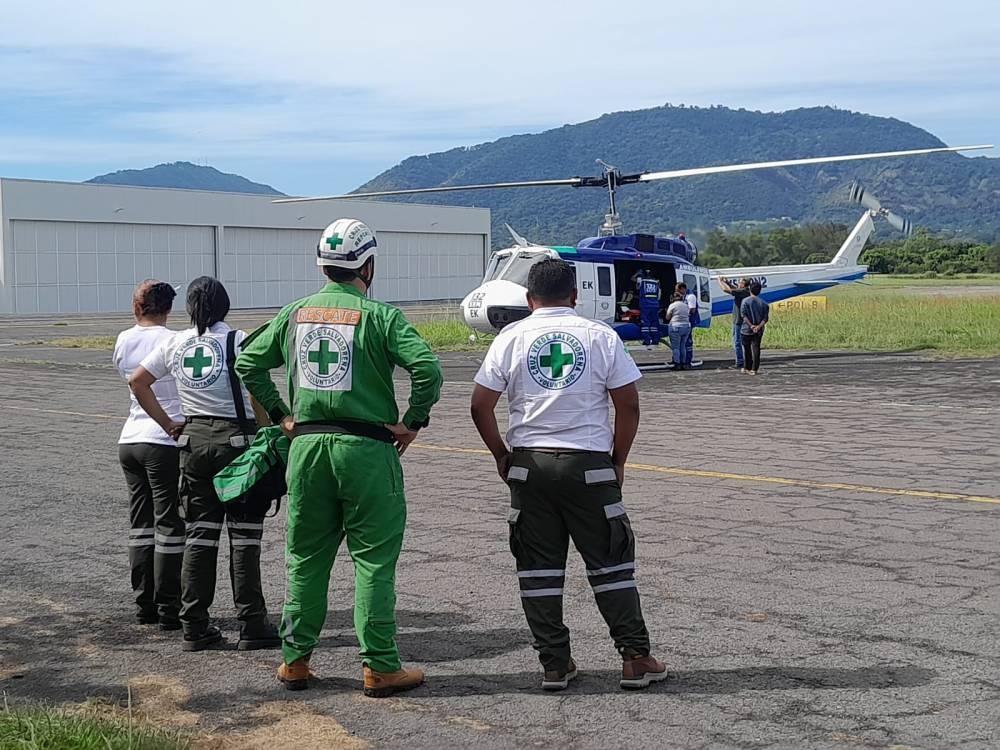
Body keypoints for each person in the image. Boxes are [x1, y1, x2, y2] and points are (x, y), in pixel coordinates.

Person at [234, 218, 443, 698]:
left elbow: (248, 360)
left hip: (306, 451)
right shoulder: (382, 316)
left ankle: (294, 662)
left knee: (305, 559)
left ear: (323, 266)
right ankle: (380, 667)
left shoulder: (296, 313)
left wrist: (283, 415)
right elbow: (427, 368)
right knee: (372, 561)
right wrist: (413, 420)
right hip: (367, 451)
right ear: (367, 265)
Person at [470, 258, 667, 692]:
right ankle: (635, 658)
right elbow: (628, 405)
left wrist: (502, 456)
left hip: (529, 466)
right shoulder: (600, 336)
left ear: (528, 298)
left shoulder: (510, 337)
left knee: (538, 571)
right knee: (611, 563)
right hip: (588, 466)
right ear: (575, 296)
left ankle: (555, 665)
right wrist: (618, 461)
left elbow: (479, 406)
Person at [129, 277, 280, 652]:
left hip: (194, 444)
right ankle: (252, 623)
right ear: (225, 306)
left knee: (200, 532)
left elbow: (138, 381)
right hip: (237, 444)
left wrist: (168, 424)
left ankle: (195, 624)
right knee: (244, 536)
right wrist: (271, 434)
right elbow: (255, 388)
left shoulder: (176, 343)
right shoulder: (237, 340)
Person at [113, 280, 185, 629]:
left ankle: (144, 603)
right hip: (163, 438)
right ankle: (170, 605)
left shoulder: (123, 339)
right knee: (169, 522)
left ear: (137, 306)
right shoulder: (173, 340)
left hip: (130, 438)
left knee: (140, 524)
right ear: (168, 308)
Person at [718, 277, 751, 370]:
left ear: (744, 285)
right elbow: (734, 289)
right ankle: (743, 360)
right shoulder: (744, 291)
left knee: (737, 341)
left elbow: (726, 290)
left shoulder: (742, 292)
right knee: (739, 341)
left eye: (740, 282)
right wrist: (727, 282)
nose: (738, 283)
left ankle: (739, 362)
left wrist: (719, 282)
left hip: (738, 321)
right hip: (739, 320)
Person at [740, 281, 770, 375]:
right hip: (759, 330)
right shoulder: (764, 304)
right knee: (756, 348)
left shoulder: (745, 301)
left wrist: (751, 325)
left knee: (747, 349)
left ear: (749, 289)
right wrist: (758, 326)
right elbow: (765, 318)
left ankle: (747, 367)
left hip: (746, 329)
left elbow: (743, 315)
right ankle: (754, 369)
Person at [663, 292, 691, 371]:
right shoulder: (686, 305)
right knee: (683, 346)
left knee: (675, 347)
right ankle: (684, 363)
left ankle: (677, 363)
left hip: (675, 326)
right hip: (686, 326)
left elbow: (667, 317)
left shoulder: (672, 305)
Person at [635, 268, 661, 345]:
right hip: (655, 305)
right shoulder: (656, 282)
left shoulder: (641, 280)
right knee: (654, 323)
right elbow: (659, 296)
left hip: (645, 305)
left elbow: (637, 287)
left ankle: (647, 340)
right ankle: (655, 340)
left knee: (645, 323)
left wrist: (637, 274)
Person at [683, 282, 700, 367]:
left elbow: (692, 310)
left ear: (683, 289)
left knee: (688, 341)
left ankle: (688, 360)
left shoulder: (691, 296)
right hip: (685, 321)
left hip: (690, 321)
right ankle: (682, 359)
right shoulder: (684, 296)